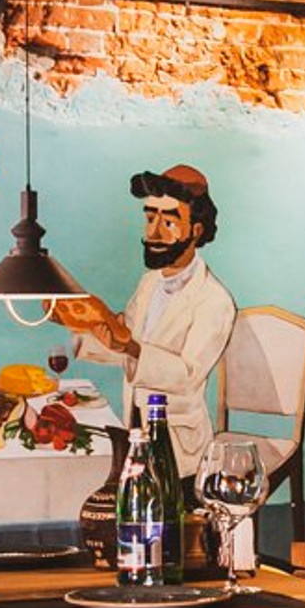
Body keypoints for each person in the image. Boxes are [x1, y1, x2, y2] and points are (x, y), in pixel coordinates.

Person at [55, 164, 236, 473]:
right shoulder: (150, 282)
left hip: (178, 447)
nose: (153, 232)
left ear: (196, 230)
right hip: (136, 425)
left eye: (169, 222)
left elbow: (187, 375)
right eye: (151, 218)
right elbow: (124, 341)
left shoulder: (215, 300)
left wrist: (131, 346)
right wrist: (76, 326)